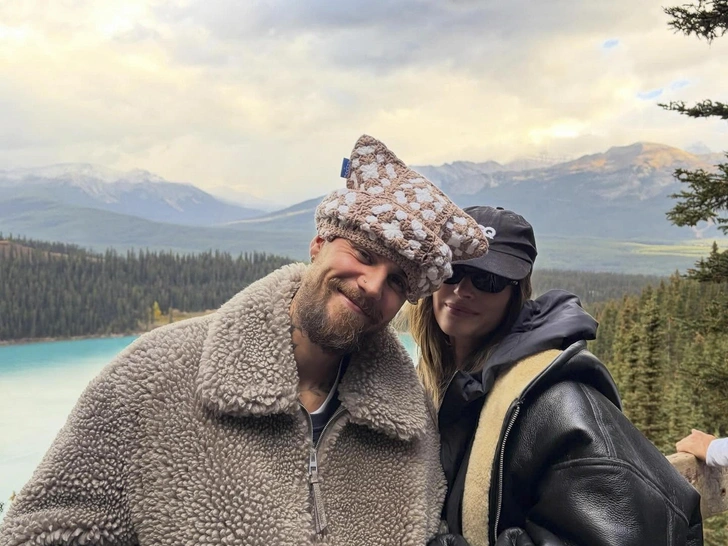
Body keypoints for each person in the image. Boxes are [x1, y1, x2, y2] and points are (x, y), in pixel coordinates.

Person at [0, 135, 490, 546]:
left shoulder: (409, 422)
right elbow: (40, 532)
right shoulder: (155, 377)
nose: (373, 285)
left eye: (398, 281)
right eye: (363, 253)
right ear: (319, 244)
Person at [406, 205, 703, 546]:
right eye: (454, 271)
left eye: (489, 280)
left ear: (516, 293)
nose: (462, 289)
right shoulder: (441, 385)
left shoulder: (561, 402)